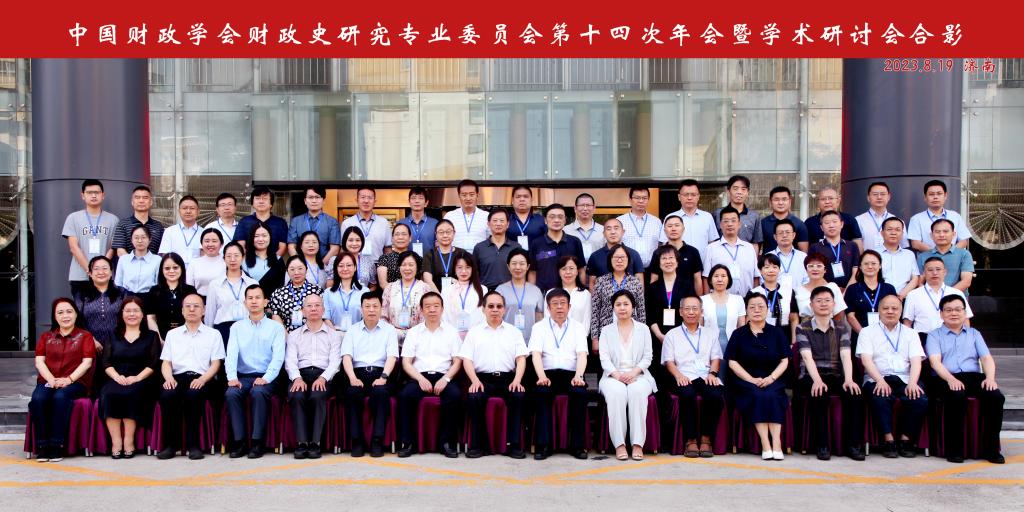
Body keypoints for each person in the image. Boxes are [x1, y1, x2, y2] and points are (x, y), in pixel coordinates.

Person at [926, 295, 1005, 464]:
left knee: (996, 397)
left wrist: (990, 378)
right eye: (948, 310)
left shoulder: (974, 334)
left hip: (973, 377)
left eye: (958, 309)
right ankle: (955, 450)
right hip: (944, 377)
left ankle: (991, 449)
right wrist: (950, 379)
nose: (953, 313)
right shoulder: (934, 335)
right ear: (941, 314)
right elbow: (935, 363)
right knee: (956, 396)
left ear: (964, 312)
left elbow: (986, 358)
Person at [795, 287, 865, 461]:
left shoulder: (842, 328)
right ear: (811, 305)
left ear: (834, 304)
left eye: (827, 300)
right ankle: (822, 445)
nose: (823, 304)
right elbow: (806, 357)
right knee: (820, 394)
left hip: (835, 375)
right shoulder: (802, 328)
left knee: (854, 394)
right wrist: (817, 381)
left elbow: (845, 356)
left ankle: (852, 445)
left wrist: (849, 379)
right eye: (818, 301)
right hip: (811, 375)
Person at [856, 295, 928, 458]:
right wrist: (880, 381)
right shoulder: (867, 332)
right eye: (886, 308)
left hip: (905, 378)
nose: (890, 311)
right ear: (879, 311)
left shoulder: (911, 333)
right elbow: (866, 360)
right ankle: (888, 441)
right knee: (880, 397)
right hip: (877, 377)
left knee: (919, 399)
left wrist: (913, 383)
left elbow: (916, 361)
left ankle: (905, 440)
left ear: (901, 311)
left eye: (894, 308)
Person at [459, 291, 528, 458]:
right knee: (474, 397)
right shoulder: (474, 332)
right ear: (483, 309)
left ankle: (513, 445)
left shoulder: (514, 332)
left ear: (504, 309)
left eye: (499, 306)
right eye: (490, 306)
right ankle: (478, 445)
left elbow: (521, 359)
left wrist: (517, 380)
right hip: (482, 379)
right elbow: (467, 360)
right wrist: (474, 380)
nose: (495, 309)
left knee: (518, 395)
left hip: (507, 379)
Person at [156, 293, 225, 460]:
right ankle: (171, 445)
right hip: (177, 377)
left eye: (196, 306)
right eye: (188, 306)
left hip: (203, 378)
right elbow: (166, 363)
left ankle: (194, 445)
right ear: (182, 311)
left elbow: (216, 363)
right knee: (167, 395)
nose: (192, 309)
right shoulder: (172, 334)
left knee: (194, 395)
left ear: (204, 310)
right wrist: (168, 379)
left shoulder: (213, 334)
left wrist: (202, 379)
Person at [396, 292, 463, 458]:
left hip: (444, 376)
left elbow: (457, 362)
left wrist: (446, 379)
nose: (432, 309)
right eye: (428, 306)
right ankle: (408, 443)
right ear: (421, 310)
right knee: (405, 395)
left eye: (436, 306)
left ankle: (447, 443)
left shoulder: (451, 332)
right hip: (419, 376)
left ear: (442, 309)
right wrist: (420, 379)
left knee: (455, 395)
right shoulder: (414, 332)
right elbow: (406, 362)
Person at [725, 292, 790, 461]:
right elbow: (732, 362)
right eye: (752, 307)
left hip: (773, 379)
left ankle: (776, 442)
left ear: (767, 309)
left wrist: (772, 378)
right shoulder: (738, 334)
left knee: (772, 395)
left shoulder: (777, 333)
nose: (756, 310)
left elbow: (785, 360)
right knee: (758, 395)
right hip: (746, 381)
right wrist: (751, 379)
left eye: (761, 307)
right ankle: (765, 443)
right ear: (746, 310)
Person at [224, 284, 286, 459]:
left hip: (268, 377)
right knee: (231, 393)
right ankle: (239, 441)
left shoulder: (276, 328)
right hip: (243, 376)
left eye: (258, 297)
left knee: (258, 392)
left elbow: (278, 358)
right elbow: (231, 354)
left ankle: (258, 442)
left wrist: (266, 378)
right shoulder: (236, 327)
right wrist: (232, 377)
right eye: (250, 298)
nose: (254, 301)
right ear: (245, 302)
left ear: (265, 302)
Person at [30, 298, 95, 462]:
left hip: (75, 382)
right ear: (55, 316)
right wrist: (51, 380)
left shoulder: (85, 336)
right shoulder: (46, 336)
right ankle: (42, 445)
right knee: (38, 398)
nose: (65, 316)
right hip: (48, 380)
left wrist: (69, 379)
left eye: (69, 311)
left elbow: (87, 363)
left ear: (76, 314)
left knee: (60, 396)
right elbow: (39, 362)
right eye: (60, 312)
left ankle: (56, 445)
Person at [530, 288, 590, 460]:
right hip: (547, 374)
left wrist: (579, 376)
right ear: (548, 308)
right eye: (555, 304)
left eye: (563, 303)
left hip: (572, 374)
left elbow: (582, 355)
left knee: (580, 394)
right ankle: (543, 445)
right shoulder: (539, 327)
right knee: (542, 393)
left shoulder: (578, 327)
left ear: (569, 307)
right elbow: (536, 354)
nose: (559, 307)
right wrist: (541, 376)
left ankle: (577, 446)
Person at [662, 296, 724, 458]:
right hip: (682, 375)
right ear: (680, 312)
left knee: (715, 395)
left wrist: (713, 373)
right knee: (687, 394)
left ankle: (706, 438)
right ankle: (690, 440)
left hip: (704, 375)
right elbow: (669, 361)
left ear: (701, 312)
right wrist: (678, 375)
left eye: (695, 309)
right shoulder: (672, 334)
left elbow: (716, 358)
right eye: (687, 309)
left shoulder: (710, 334)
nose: (691, 312)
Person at [599, 290, 657, 461]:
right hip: (613, 376)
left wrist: (633, 372)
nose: (622, 308)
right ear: (613, 308)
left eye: (626, 304)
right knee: (616, 393)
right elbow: (604, 358)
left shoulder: (643, 329)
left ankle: (638, 443)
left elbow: (648, 357)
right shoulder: (606, 330)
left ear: (633, 307)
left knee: (636, 392)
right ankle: (619, 444)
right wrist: (618, 376)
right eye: (618, 304)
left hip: (639, 374)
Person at [100, 297, 161, 459]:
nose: (131, 314)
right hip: (116, 377)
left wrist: (137, 378)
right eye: (128, 311)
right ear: (122, 314)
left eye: (136, 311)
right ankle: (116, 442)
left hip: (142, 378)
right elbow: (105, 361)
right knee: (110, 393)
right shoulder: (113, 335)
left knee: (130, 393)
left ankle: (129, 441)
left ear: (142, 314)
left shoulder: (151, 336)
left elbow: (154, 363)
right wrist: (116, 376)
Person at [340, 291, 396, 458]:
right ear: (361, 309)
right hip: (357, 373)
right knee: (351, 393)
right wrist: (352, 378)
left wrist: (383, 377)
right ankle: (356, 440)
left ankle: (377, 440)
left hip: (381, 372)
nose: (371, 310)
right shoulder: (352, 330)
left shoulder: (389, 330)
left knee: (381, 393)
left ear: (381, 308)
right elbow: (346, 357)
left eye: (375, 306)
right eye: (367, 306)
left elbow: (392, 357)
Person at [287, 294, 344, 460]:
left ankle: (315, 443)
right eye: (309, 306)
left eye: (317, 305)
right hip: (301, 374)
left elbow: (335, 362)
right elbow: (290, 361)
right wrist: (297, 378)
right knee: (296, 395)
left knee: (317, 396)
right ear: (303, 311)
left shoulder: (334, 335)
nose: (313, 309)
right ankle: (301, 443)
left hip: (324, 375)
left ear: (323, 310)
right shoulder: (294, 335)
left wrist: (323, 378)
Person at [646, 245, 696, 392]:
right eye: (664, 258)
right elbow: (650, 314)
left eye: (671, 258)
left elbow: (690, 312)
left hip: (682, 336)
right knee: (660, 377)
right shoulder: (653, 287)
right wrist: (659, 335)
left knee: (681, 376)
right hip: (658, 337)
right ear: (659, 263)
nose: (668, 261)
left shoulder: (687, 285)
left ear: (677, 262)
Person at [64, 179, 119, 293]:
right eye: (89, 193)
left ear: (103, 195)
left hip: (105, 276)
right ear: (82, 195)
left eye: (97, 192)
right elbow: (73, 247)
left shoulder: (113, 219)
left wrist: (101, 269)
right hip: (79, 276)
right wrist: (90, 270)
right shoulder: (73, 218)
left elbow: (113, 248)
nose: (93, 196)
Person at [591, 245, 647, 349]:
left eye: (623, 257)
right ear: (610, 260)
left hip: (631, 334)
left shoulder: (635, 282)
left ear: (628, 259)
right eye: (616, 257)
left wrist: (642, 336)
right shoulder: (601, 281)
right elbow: (595, 311)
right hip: (606, 333)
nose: (619, 260)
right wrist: (595, 339)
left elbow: (641, 311)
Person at [74, 256, 131, 353]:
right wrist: (91, 340)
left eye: (105, 268)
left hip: (119, 345)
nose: (101, 272)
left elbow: (130, 318)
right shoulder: (82, 294)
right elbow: (77, 320)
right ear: (90, 273)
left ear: (111, 272)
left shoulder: (122, 293)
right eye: (96, 269)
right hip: (89, 346)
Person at [204, 242, 258, 344]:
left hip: (247, 329)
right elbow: (210, 313)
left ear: (243, 257)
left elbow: (257, 311)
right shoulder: (215, 284)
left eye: (236, 255)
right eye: (229, 256)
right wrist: (209, 336)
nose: (232, 259)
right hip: (223, 331)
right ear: (224, 258)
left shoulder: (252, 283)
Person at [904, 257, 974, 334]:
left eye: (938, 269)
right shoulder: (913, 295)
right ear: (924, 273)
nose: (934, 273)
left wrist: (966, 338)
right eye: (930, 270)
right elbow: (907, 323)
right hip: (923, 337)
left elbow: (965, 320)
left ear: (945, 272)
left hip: (951, 337)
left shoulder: (957, 293)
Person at [529, 203, 586, 293]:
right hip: (544, 293)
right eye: (552, 217)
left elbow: (581, 270)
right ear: (545, 220)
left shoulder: (574, 242)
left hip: (570, 293)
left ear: (565, 220)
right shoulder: (536, 243)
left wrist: (582, 291)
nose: (556, 220)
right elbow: (532, 272)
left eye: (560, 217)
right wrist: (532, 294)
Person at [703, 206, 759, 296]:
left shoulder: (749, 248)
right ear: (720, 225)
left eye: (733, 221)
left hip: (747, 299)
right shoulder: (711, 249)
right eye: (726, 221)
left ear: (739, 224)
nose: (730, 224)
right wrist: (707, 299)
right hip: (720, 299)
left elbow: (756, 277)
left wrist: (755, 298)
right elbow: (706, 277)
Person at [700, 265, 746, 371]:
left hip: (733, 346)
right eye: (716, 276)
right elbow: (699, 327)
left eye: (723, 276)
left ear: (728, 279)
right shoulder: (702, 300)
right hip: (708, 347)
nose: (720, 279)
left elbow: (741, 327)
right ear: (710, 280)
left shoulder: (738, 300)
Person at [664, 179, 721, 262]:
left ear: (698, 196)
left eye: (693, 195)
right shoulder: (670, 218)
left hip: (703, 266)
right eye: (686, 195)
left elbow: (713, 244)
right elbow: (664, 244)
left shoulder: (707, 217)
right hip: (676, 266)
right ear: (679, 197)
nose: (689, 198)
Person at [145, 253, 198, 340]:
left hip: (187, 337)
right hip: (161, 338)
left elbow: (195, 316)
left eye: (175, 267)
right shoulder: (154, 291)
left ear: (182, 268)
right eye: (167, 268)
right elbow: (151, 318)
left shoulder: (190, 290)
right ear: (161, 270)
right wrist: (159, 340)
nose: (171, 271)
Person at [381, 251, 431, 342]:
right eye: (403, 265)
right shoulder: (390, 288)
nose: (407, 268)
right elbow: (383, 315)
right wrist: (389, 334)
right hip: (392, 337)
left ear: (417, 267)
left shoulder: (425, 288)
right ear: (399, 267)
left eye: (411, 265)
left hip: (418, 338)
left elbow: (428, 315)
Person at [844, 250, 897, 335]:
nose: (870, 266)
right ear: (860, 267)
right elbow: (850, 316)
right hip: (860, 336)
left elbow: (894, 314)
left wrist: (885, 334)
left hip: (886, 336)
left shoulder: (889, 289)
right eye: (866, 264)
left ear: (880, 266)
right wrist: (864, 335)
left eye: (873, 263)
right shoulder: (852, 289)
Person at [496, 248, 546, 341]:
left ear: (528, 266)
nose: (518, 267)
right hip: (506, 340)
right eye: (514, 263)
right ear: (508, 266)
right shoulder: (500, 290)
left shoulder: (535, 291)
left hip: (531, 341)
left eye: (522, 263)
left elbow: (539, 318)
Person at [908, 180, 970, 251]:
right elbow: (915, 243)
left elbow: (964, 240)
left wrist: (950, 253)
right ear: (925, 197)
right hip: (928, 257)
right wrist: (936, 254)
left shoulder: (955, 216)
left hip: (953, 257)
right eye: (931, 194)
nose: (935, 197)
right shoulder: (916, 219)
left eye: (939, 194)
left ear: (945, 196)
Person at [269, 256, 325, 332]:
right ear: (287, 271)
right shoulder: (279, 293)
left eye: (300, 268)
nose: (296, 272)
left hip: (313, 334)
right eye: (292, 269)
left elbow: (323, 314)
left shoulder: (317, 290)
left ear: (306, 269)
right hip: (287, 334)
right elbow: (276, 315)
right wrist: (286, 336)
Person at [916, 219, 974, 293]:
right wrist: (931, 296)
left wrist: (945, 296)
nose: (941, 235)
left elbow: (966, 282)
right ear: (931, 235)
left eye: (945, 231)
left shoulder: (964, 254)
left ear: (953, 234)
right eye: (937, 232)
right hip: (929, 297)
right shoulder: (922, 256)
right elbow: (920, 282)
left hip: (956, 297)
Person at [752, 254, 799, 342]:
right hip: (760, 339)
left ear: (779, 270)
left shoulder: (788, 291)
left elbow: (794, 319)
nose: (771, 270)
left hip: (784, 338)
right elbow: (749, 320)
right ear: (760, 270)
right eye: (767, 267)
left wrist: (794, 342)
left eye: (775, 267)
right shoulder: (754, 293)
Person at [586, 218, 644, 289]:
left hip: (629, 295)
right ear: (604, 233)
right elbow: (592, 283)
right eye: (608, 229)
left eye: (616, 228)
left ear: (623, 232)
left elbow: (640, 282)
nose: (613, 232)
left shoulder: (634, 254)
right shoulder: (595, 256)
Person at [808, 210, 860, 288]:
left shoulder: (852, 246)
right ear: (821, 227)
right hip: (824, 290)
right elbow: (814, 272)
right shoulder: (815, 247)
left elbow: (856, 272)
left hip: (849, 290)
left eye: (835, 222)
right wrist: (832, 290)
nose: (831, 225)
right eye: (827, 223)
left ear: (842, 224)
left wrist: (847, 291)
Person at [473, 208, 522, 290]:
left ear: (508, 224)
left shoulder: (516, 247)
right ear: (488, 224)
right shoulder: (479, 248)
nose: (498, 224)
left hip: (510, 291)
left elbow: (521, 272)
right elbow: (474, 273)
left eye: (502, 221)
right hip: (486, 292)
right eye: (495, 221)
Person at [340, 187, 392, 262]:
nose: (366, 201)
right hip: (354, 265)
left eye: (370, 198)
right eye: (363, 197)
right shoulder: (347, 223)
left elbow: (388, 249)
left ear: (375, 201)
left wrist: (386, 266)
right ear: (357, 200)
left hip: (378, 264)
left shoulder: (383, 223)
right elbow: (343, 249)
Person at [234, 186, 288, 258]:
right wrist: (252, 261)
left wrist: (271, 261)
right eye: (257, 198)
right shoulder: (244, 221)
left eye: (265, 199)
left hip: (274, 262)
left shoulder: (280, 223)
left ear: (271, 204)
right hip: (249, 262)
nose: (261, 201)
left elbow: (283, 247)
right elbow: (240, 245)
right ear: (252, 203)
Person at [288, 186, 341, 260]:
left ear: (323, 200)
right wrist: (300, 264)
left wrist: (321, 264)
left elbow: (335, 248)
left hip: (324, 264)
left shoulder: (332, 222)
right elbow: (291, 246)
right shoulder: (296, 221)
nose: (314, 201)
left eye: (317, 197)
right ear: (305, 201)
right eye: (310, 197)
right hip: (301, 265)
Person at [804, 185, 863, 251]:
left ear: (838, 201)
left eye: (831, 198)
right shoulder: (809, 223)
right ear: (818, 202)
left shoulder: (849, 219)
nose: (827, 202)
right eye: (823, 199)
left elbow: (858, 245)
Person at [713, 175, 763, 253]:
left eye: (743, 189)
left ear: (747, 192)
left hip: (745, 257)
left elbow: (756, 243)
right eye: (735, 189)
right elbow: (713, 240)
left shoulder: (754, 216)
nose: (739, 192)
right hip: (722, 256)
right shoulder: (717, 214)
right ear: (728, 191)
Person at [442, 253, 486, 339]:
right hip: (453, 336)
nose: (463, 271)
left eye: (468, 267)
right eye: (459, 267)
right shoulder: (447, 290)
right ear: (454, 269)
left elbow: (484, 315)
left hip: (476, 336)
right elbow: (444, 315)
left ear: (473, 269)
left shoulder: (482, 289)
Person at [112, 185, 164, 257]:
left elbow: (162, 251)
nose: (141, 201)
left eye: (145, 198)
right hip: (129, 264)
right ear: (132, 202)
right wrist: (135, 263)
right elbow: (120, 251)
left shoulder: (158, 226)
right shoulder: (123, 224)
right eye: (137, 197)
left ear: (151, 202)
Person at [616, 187, 663, 268]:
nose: (641, 201)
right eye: (637, 198)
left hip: (652, 269)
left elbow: (661, 245)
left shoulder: (656, 222)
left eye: (644, 198)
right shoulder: (620, 221)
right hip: (627, 269)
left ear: (648, 200)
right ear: (630, 200)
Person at [794, 254, 848, 322]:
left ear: (825, 270)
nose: (815, 269)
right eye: (811, 266)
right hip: (805, 326)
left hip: (829, 326)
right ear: (806, 270)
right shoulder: (798, 290)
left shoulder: (832, 287)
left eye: (819, 266)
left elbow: (839, 313)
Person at [855, 182, 907, 251]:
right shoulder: (858, 220)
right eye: (875, 194)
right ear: (868, 197)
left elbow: (904, 246)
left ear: (889, 197)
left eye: (883, 194)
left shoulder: (898, 222)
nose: (879, 197)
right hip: (868, 258)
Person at [545, 255, 591, 331]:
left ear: (577, 271)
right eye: (564, 269)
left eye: (571, 268)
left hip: (579, 337)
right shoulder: (550, 293)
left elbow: (587, 321)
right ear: (559, 272)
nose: (568, 272)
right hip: (555, 337)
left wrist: (581, 336)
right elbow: (548, 319)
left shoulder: (585, 294)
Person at [323, 252, 366, 333]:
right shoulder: (328, 292)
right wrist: (335, 333)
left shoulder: (364, 291)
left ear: (355, 268)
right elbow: (326, 317)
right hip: (334, 334)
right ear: (336, 269)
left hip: (358, 334)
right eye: (341, 266)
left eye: (349, 265)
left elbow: (366, 318)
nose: (345, 269)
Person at [657, 214, 704, 289]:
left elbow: (697, 279)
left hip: (689, 295)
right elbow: (654, 278)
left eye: (677, 225)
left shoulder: (693, 252)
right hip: (665, 295)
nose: (673, 229)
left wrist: (700, 296)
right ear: (665, 231)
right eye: (670, 226)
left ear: (683, 229)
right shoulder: (658, 252)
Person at [422, 219, 469, 294]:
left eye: (448, 232)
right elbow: (428, 280)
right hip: (436, 295)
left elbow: (467, 276)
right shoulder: (430, 254)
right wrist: (440, 297)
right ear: (436, 234)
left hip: (459, 294)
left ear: (454, 233)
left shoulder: (462, 253)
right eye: (441, 232)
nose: (445, 235)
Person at [879, 218, 920, 300]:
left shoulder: (909, 254)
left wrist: (901, 296)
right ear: (882, 233)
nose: (893, 233)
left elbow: (915, 278)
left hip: (905, 298)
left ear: (902, 233)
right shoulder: (873, 253)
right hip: (879, 298)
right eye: (889, 229)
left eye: (897, 230)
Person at [158, 195, 203, 269]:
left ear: (198, 211)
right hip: (175, 273)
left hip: (197, 273)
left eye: (192, 208)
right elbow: (165, 256)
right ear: (179, 211)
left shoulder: (204, 233)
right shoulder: (169, 231)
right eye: (184, 208)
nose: (188, 211)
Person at [761, 186, 810, 254]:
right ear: (770, 202)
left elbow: (804, 252)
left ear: (790, 201)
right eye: (776, 200)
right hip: (768, 260)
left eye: (784, 199)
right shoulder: (763, 223)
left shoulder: (799, 224)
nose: (780, 203)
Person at [113, 225, 161, 294]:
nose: (140, 241)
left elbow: (159, 284)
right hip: (127, 297)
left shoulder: (157, 260)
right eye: (136, 238)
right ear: (131, 240)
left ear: (150, 240)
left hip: (149, 297)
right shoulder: (123, 259)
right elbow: (118, 284)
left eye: (143, 237)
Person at [445, 179, 490, 251]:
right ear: (459, 196)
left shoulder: (486, 216)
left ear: (477, 195)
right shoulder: (449, 216)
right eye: (464, 195)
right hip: (456, 256)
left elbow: (491, 238)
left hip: (479, 256)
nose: (468, 198)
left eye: (471, 194)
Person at [241, 221, 285, 293]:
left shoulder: (278, 260)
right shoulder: (243, 260)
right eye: (256, 236)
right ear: (251, 238)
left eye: (264, 236)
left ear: (270, 237)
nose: (261, 239)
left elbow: (281, 287)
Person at [397, 186, 439, 257]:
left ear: (426, 203)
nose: (417, 201)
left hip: (429, 263)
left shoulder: (435, 223)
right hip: (406, 263)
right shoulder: (401, 224)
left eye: (420, 198)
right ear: (409, 202)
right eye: (413, 198)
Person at [768, 219, 808, 289]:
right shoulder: (768, 257)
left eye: (788, 232)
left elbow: (807, 280)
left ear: (794, 235)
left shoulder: (803, 257)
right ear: (775, 237)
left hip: (799, 294)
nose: (784, 235)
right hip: (774, 295)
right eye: (780, 233)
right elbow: (764, 281)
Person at [564, 192, 605, 263]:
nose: (585, 208)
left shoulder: (603, 230)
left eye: (588, 205)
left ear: (594, 208)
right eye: (582, 205)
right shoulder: (565, 230)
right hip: (574, 269)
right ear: (575, 208)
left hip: (598, 269)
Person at [186, 228, 226, 297]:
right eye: (207, 241)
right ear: (201, 244)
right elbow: (189, 287)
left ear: (221, 244)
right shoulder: (194, 263)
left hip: (222, 300)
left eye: (214, 241)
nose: (210, 244)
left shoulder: (227, 262)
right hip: (199, 301)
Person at [508, 185, 547, 249]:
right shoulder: (506, 220)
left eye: (526, 196)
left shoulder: (541, 220)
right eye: (518, 197)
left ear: (531, 200)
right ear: (512, 200)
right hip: (511, 255)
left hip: (536, 255)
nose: (522, 199)